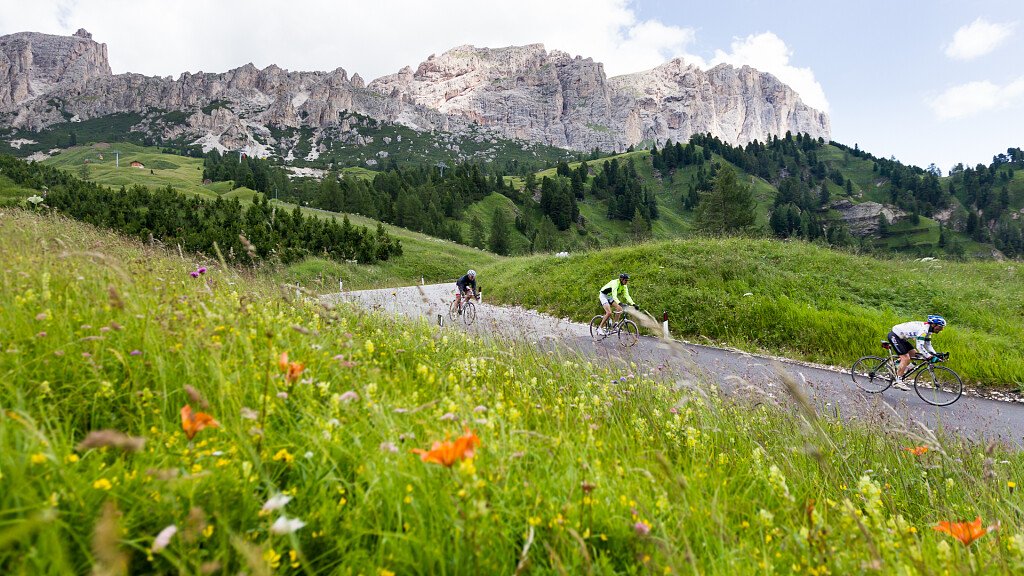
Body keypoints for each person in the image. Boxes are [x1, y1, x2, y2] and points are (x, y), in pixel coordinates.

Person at [888, 315, 947, 383]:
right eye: (940, 327)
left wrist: (935, 354)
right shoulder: (923, 330)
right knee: (906, 358)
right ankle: (898, 381)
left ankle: (896, 364)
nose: (940, 330)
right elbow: (919, 346)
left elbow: (927, 344)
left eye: (942, 328)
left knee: (915, 355)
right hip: (895, 336)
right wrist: (929, 356)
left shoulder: (928, 330)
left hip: (901, 338)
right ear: (933, 324)